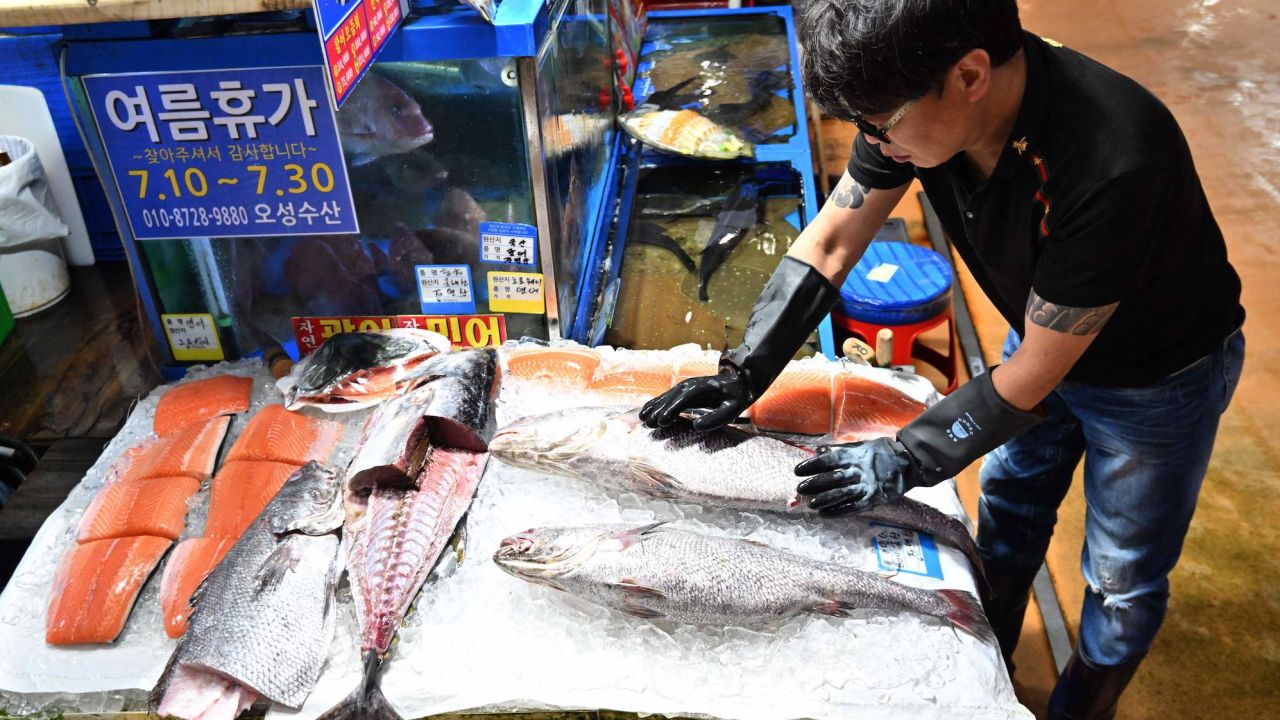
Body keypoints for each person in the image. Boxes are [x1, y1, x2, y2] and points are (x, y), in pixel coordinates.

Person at [639, 1, 1245, 718]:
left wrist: (904, 455)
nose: (873, 143)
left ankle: (1083, 703)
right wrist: (743, 370)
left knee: (1121, 573)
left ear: (969, 75)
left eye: (881, 125)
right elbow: (833, 240)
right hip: (1044, 328)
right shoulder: (911, 102)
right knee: (1011, 500)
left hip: (1155, 378)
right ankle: (990, 655)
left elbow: (1036, 374)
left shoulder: (1112, 159)